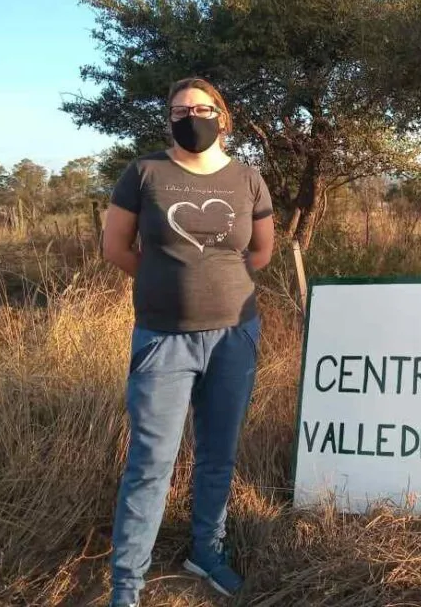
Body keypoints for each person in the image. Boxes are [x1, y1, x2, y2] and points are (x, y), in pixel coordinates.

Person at [102, 77, 275, 607]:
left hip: (234, 338)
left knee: (218, 455)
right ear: (168, 120)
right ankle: (126, 586)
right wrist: (168, 286)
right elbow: (116, 248)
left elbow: (262, 253)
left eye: (201, 108)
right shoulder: (145, 173)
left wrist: (215, 287)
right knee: (151, 463)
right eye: (179, 110)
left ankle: (207, 551)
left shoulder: (248, 179)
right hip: (163, 340)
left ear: (223, 117)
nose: (190, 116)